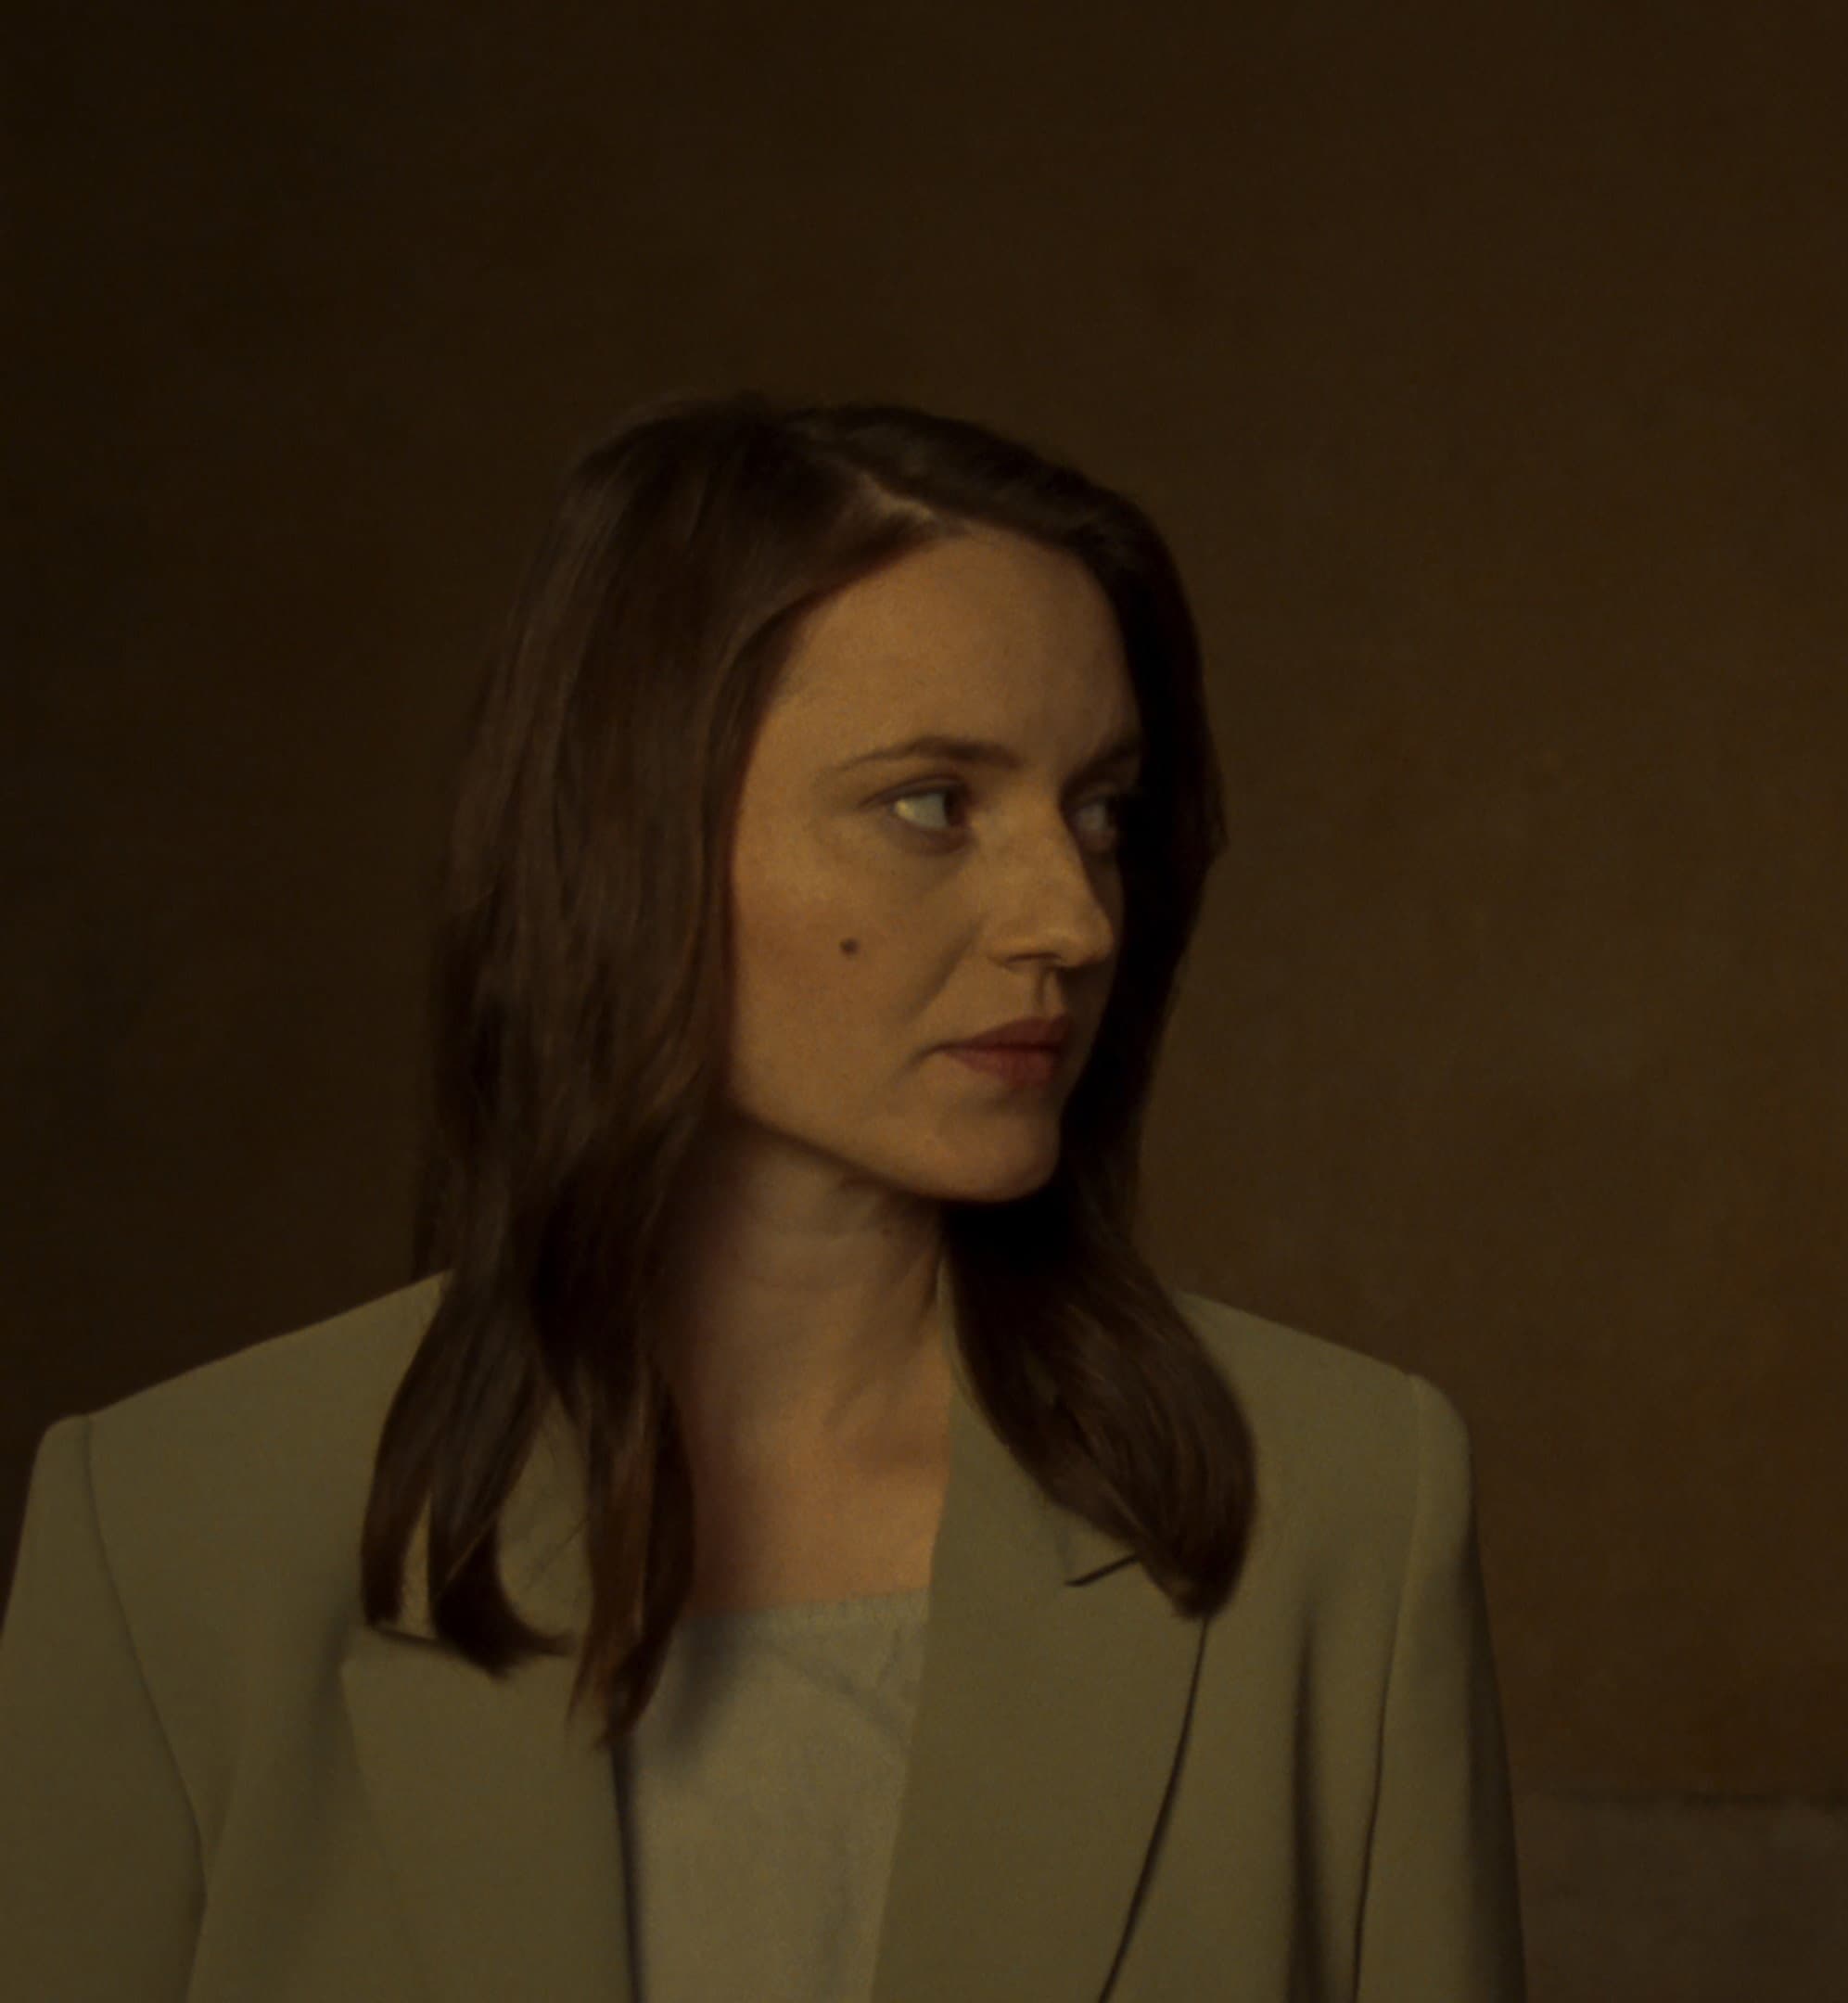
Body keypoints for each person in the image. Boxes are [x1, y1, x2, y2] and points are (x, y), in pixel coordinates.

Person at [0, 397, 1526, 2002]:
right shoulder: (177, 1533)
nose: (1072, 918)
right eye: (933, 802)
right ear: (625, 831)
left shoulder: (1342, 1512)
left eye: (1101, 812)